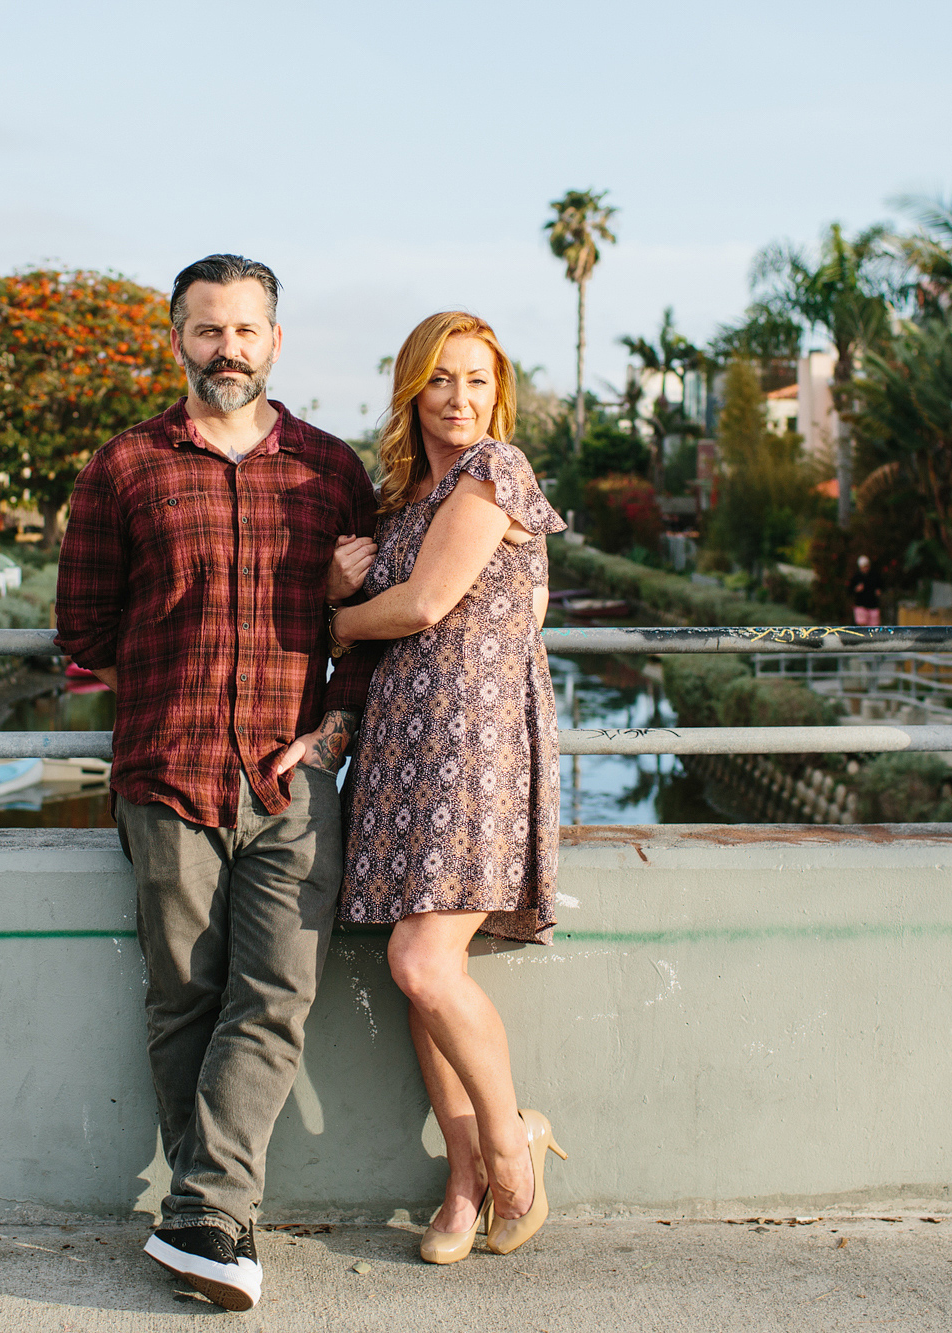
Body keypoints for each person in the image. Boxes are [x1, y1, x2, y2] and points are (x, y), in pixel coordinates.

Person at [54, 254, 378, 1312]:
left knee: (278, 990)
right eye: (205, 330)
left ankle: (201, 1210)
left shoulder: (330, 472)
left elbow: (368, 630)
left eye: (244, 330)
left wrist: (331, 726)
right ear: (178, 340)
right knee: (181, 992)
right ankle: (218, 1221)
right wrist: (168, 677)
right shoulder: (124, 467)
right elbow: (84, 627)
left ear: (274, 342)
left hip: (290, 776)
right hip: (167, 768)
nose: (225, 348)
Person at [327, 311, 570, 1266]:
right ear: (412, 392)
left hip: (473, 748)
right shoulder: (404, 503)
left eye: (476, 380)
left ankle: (513, 1150)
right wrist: (335, 589)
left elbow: (426, 605)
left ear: (497, 391)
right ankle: (462, 1184)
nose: (459, 398)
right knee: (424, 975)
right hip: (399, 750)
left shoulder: (496, 472)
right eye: (440, 380)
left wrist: (343, 621)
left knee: (424, 963)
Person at [849, 554, 884, 627]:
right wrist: (856, 589)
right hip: (861, 605)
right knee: (862, 626)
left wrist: (879, 591)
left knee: (874, 627)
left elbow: (882, 586)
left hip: (873, 605)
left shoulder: (875, 576)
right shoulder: (856, 577)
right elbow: (850, 590)